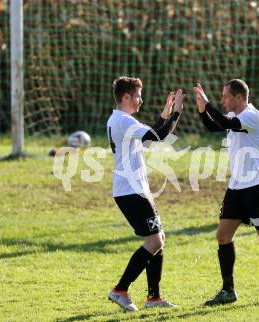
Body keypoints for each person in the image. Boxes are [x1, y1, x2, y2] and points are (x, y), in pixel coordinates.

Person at [193, 79, 259, 305]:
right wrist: (202, 108)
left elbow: (224, 121)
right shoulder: (235, 118)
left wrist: (208, 104)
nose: (223, 100)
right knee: (223, 236)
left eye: (225, 96)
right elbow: (213, 125)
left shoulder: (253, 116)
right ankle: (228, 291)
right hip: (236, 188)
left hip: (257, 188)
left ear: (239, 97)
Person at [106, 76, 184, 311]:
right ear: (126, 97)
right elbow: (159, 135)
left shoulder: (120, 120)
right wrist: (176, 113)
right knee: (155, 240)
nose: (141, 100)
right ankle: (120, 289)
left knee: (158, 239)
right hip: (131, 191)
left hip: (135, 190)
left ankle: (154, 298)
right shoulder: (123, 121)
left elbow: (148, 141)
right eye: (138, 95)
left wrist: (165, 113)